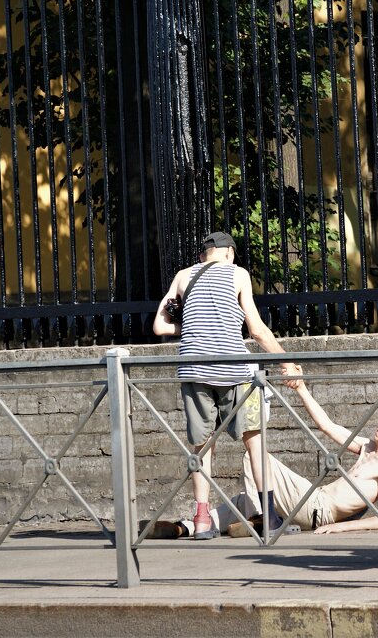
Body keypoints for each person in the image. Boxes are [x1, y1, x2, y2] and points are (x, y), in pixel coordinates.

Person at [153, 231, 298, 539]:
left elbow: (159, 325)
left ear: (204, 254)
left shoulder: (182, 276)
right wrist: (286, 361)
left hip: (194, 369)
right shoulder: (238, 274)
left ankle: (202, 520)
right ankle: (270, 516)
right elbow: (256, 330)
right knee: (254, 442)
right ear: (229, 253)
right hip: (235, 372)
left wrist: (192, 323)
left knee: (202, 445)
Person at [220, 379, 378, 536]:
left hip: (318, 509)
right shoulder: (367, 446)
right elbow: (327, 426)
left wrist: (341, 527)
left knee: (255, 455)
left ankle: (263, 520)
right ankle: (195, 525)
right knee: (242, 501)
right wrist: (301, 388)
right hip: (313, 498)